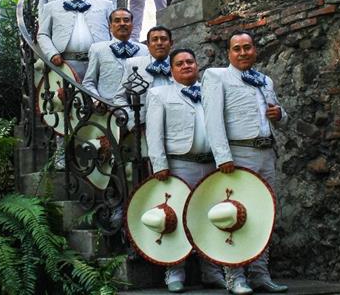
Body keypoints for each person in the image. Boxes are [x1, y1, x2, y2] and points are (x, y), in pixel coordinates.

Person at [201, 29, 289, 295]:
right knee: (234, 213)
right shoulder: (217, 77)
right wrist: (223, 157)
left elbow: (277, 116)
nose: (242, 52)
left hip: (265, 153)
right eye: (237, 48)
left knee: (265, 213)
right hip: (238, 155)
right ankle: (234, 276)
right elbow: (212, 120)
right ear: (229, 52)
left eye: (247, 47)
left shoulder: (264, 80)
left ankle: (260, 274)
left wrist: (280, 114)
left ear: (254, 50)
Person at [146, 49, 227, 293]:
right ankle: (174, 271)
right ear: (171, 70)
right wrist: (159, 164)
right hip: (180, 163)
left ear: (197, 65)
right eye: (179, 63)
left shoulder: (212, 92)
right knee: (176, 217)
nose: (185, 66)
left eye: (190, 62)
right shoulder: (159, 94)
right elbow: (154, 133)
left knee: (212, 215)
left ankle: (212, 270)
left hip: (213, 163)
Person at [37, 0, 114, 81]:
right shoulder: (51, 7)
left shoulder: (105, 5)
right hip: (65, 65)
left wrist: (111, 55)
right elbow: (42, 34)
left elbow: (114, 31)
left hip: (99, 63)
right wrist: (52, 53)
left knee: (99, 98)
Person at [112, 25, 174, 128]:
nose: (159, 43)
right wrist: (133, 121)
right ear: (148, 44)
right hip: (144, 127)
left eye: (163, 39)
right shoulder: (133, 64)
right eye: (154, 40)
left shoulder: (180, 64)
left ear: (171, 43)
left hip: (177, 125)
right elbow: (119, 98)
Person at [82, 8, 149, 102]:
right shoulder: (98, 49)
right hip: (108, 108)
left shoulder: (144, 50)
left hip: (137, 107)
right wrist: (97, 101)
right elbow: (88, 82)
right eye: (117, 21)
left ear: (132, 25)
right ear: (110, 26)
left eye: (126, 20)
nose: (122, 23)